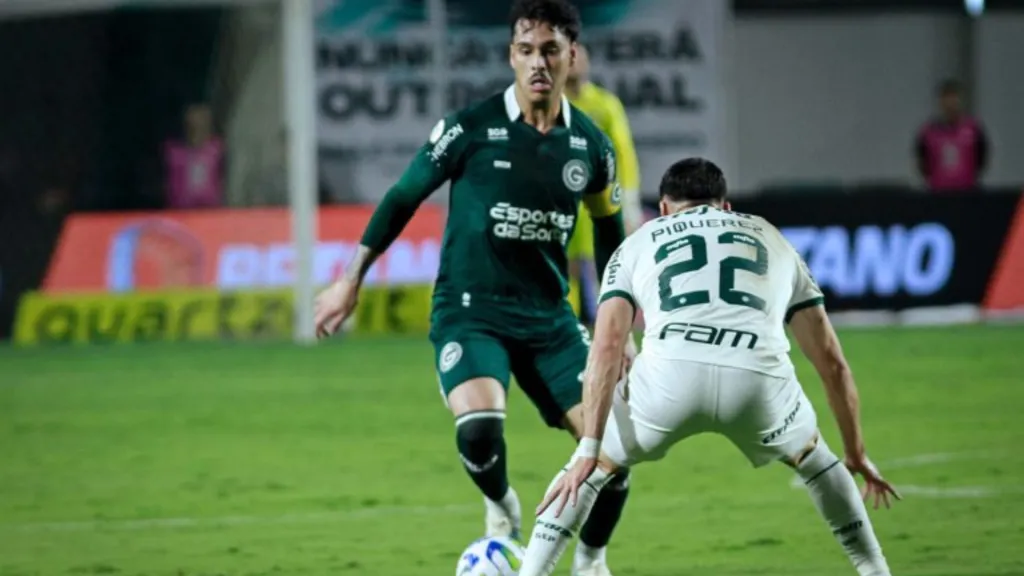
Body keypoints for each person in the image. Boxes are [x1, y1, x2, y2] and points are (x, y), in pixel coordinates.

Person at [313, 1, 634, 574]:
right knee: (481, 429)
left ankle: (591, 561)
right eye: (527, 50)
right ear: (512, 55)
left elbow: (612, 240)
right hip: (471, 312)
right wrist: (348, 281)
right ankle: (502, 505)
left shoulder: (590, 147)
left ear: (572, 57)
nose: (539, 62)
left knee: (612, 456)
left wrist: (623, 329)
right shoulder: (469, 128)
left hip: (550, 322)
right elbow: (401, 199)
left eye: (551, 50)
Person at [518, 158, 901, 576]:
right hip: (757, 382)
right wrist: (856, 451)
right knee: (814, 458)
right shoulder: (771, 237)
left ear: (663, 208)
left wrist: (589, 450)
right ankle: (874, 569)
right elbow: (832, 362)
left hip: (668, 383)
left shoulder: (639, 241)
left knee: (593, 471)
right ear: (727, 207)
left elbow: (607, 346)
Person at [564, 44, 642, 326]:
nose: (573, 64)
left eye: (578, 58)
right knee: (563, 267)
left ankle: (611, 329)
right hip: (561, 200)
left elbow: (623, 152)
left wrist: (629, 201)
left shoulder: (605, 104)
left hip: (600, 201)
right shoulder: (550, 104)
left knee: (604, 266)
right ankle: (565, 330)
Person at [914, 79, 990, 192]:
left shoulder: (973, 130)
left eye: (954, 99)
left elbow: (981, 158)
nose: (950, 104)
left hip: (967, 192)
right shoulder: (928, 132)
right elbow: (922, 162)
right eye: (947, 99)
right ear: (940, 102)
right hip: (938, 193)